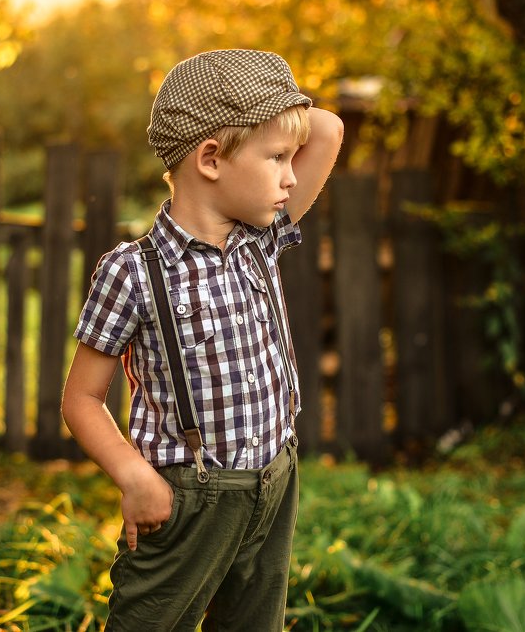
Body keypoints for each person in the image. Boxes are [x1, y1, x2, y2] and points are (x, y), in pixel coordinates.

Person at [61, 49, 344, 631]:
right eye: (277, 158)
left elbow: (328, 128)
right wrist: (133, 476)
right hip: (189, 499)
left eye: (292, 158)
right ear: (210, 158)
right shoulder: (134, 271)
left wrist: (271, 104)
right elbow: (81, 399)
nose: (292, 176)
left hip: (275, 480)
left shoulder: (260, 240)